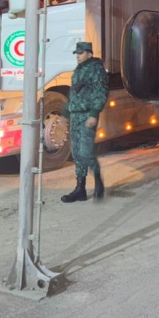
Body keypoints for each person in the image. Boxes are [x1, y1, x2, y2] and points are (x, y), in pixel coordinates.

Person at [61, 41, 108, 203]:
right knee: (76, 153)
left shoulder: (96, 69)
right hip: (76, 115)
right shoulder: (79, 70)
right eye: (77, 54)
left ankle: (98, 180)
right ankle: (80, 188)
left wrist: (94, 114)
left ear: (89, 53)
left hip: (87, 115)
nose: (78, 56)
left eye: (80, 53)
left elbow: (101, 92)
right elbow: (74, 92)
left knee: (85, 152)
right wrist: (65, 113)